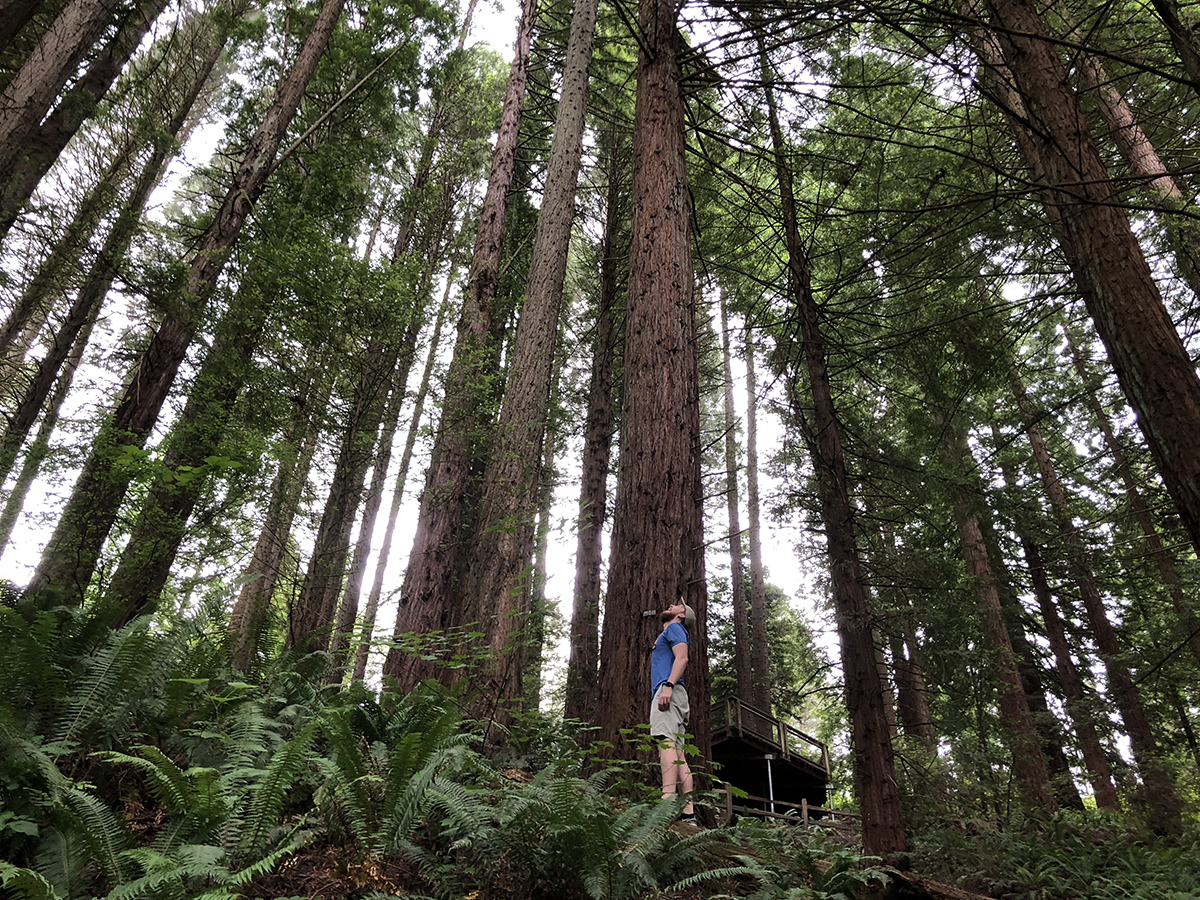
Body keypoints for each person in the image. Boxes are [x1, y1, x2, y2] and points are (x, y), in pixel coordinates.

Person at [650, 599, 696, 824]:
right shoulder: (672, 630)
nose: (671, 604)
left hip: (670, 690)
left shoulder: (676, 628)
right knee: (678, 753)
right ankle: (689, 813)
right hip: (678, 694)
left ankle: (666, 804)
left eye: (677, 606)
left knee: (665, 743)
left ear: (681, 615)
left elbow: (682, 657)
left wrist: (668, 685)